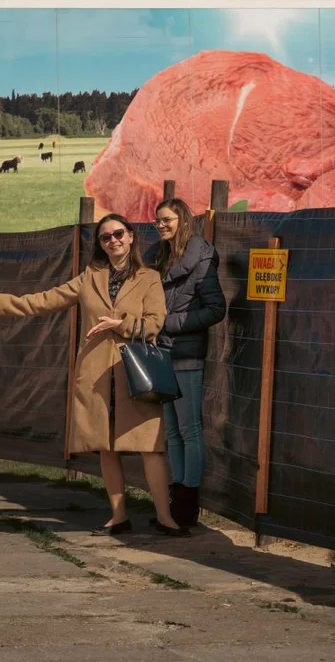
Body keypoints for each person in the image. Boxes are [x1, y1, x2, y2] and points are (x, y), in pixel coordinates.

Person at [0, 213, 191, 537]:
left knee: (150, 447)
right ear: (100, 245)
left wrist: (120, 324)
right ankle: (118, 517)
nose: (113, 240)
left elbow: (155, 323)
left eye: (119, 233)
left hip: (138, 373)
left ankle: (165, 518)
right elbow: (48, 299)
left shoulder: (149, 278)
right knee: (105, 446)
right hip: (97, 375)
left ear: (131, 237)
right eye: (106, 237)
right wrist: (4, 304)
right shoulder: (90, 277)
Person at [145, 198, 226, 528]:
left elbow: (216, 309)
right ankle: (175, 504)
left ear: (182, 221)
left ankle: (188, 504)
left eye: (167, 220)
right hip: (161, 353)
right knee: (173, 433)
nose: (161, 225)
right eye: (157, 221)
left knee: (190, 430)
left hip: (188, 354)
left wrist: (170, 322)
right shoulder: (159, 257)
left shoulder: (202, 258)